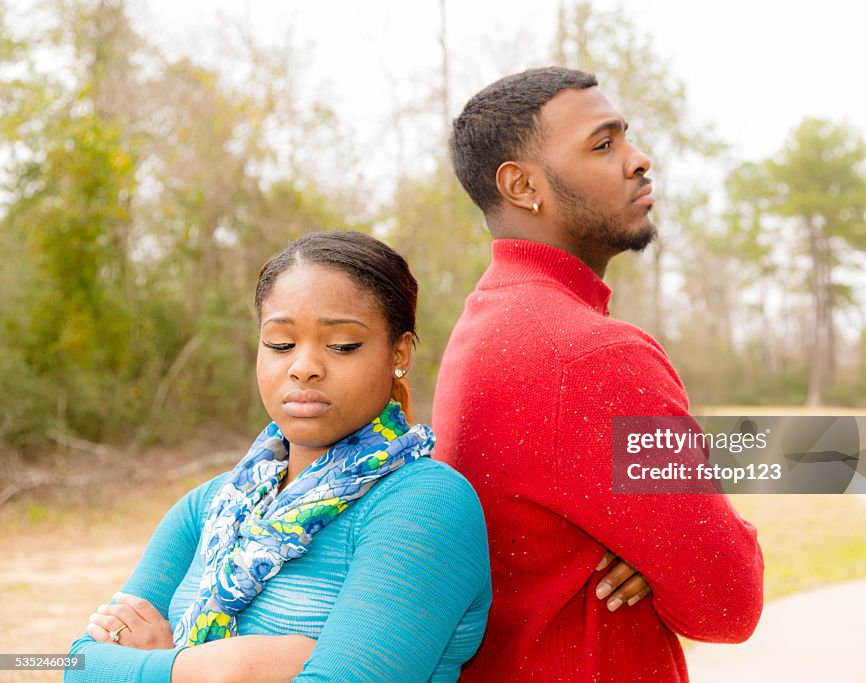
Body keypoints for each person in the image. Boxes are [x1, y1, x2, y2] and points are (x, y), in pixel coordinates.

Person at [433, 66, 765, 682]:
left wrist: (666, 548)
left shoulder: (489, 320)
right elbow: (728, 599)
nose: (639, 161)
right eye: (603, 144)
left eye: (627, 139)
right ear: (522, 185)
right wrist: (682, 544)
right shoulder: (591, 356)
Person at [66, 231, 491, 683]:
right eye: (281, 344)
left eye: (342, 345)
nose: (303, 366)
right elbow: (76, 665)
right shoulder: (209, 507)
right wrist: (221, 668)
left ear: (398, 354)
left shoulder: (425, 505)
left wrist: (153, 662)